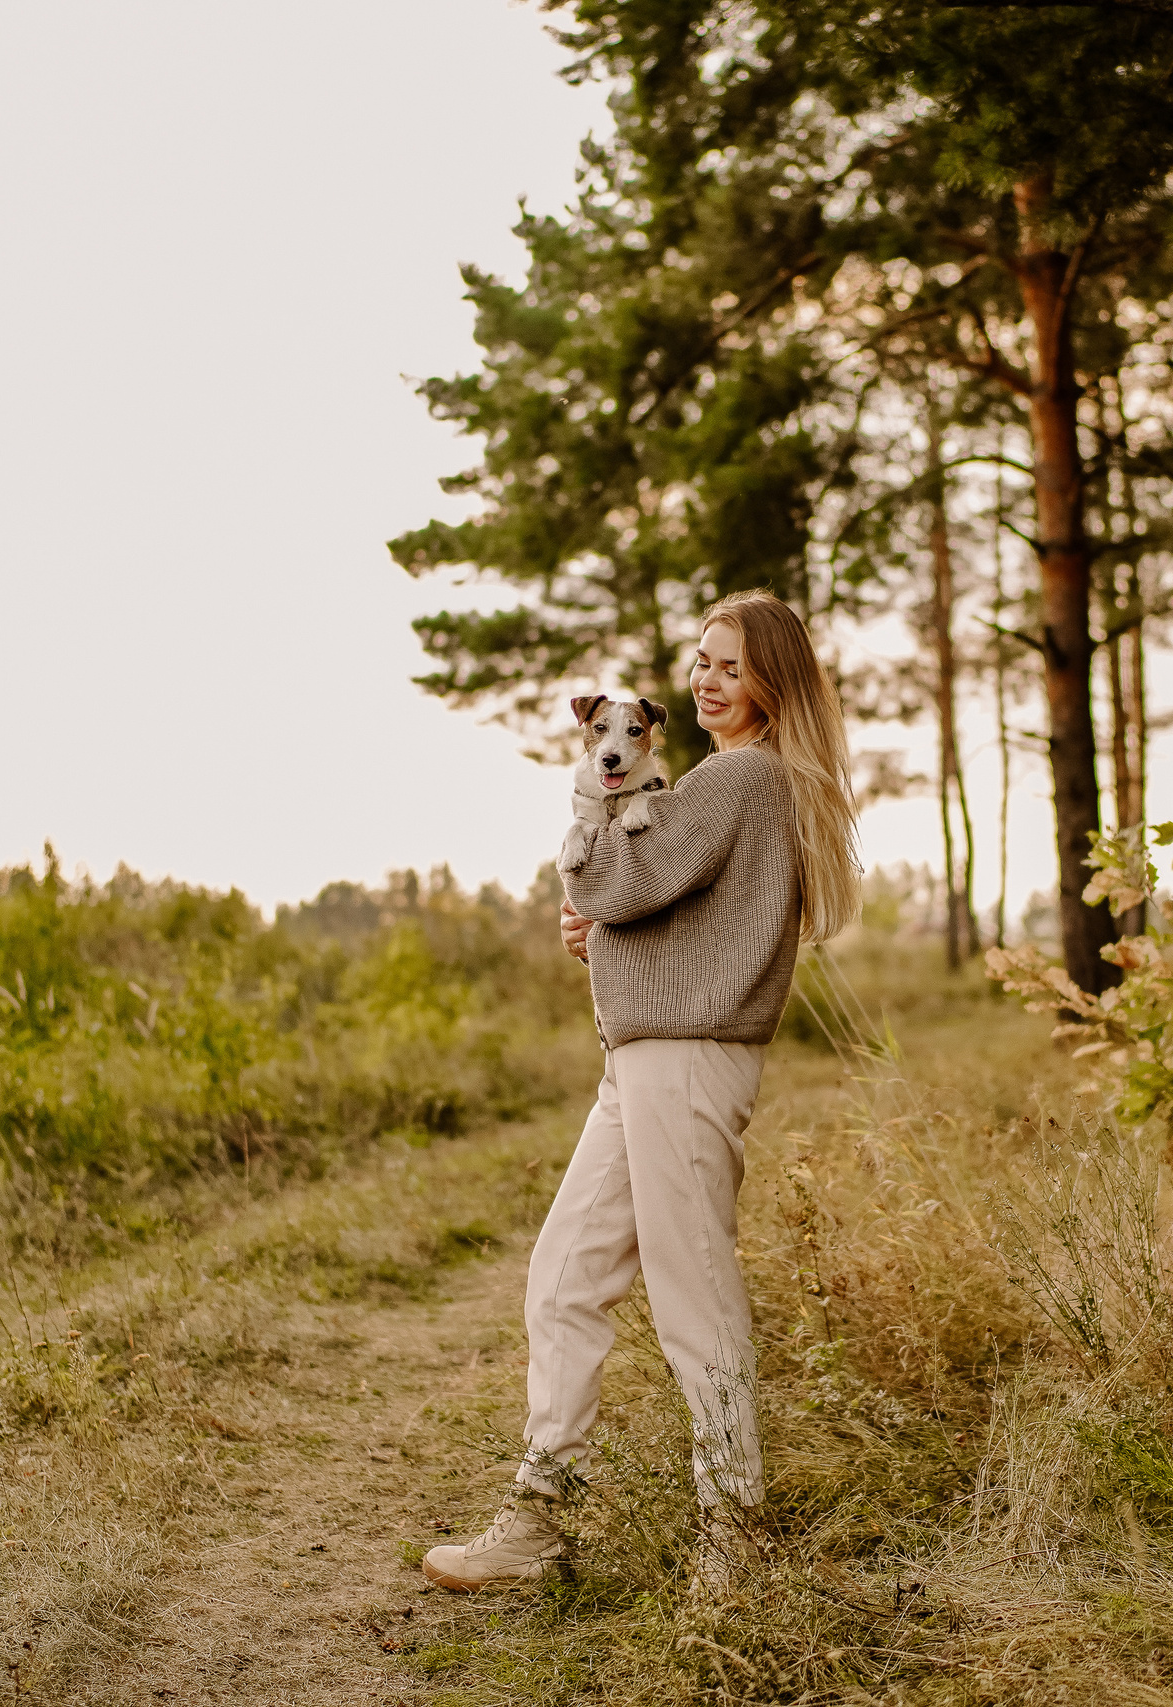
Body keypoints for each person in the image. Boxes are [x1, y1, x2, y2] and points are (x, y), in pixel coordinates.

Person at [420, 590, 860, 1592]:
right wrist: (599, 930)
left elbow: (610, 884)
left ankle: (734, 1536)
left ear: (772, 682)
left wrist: (590, 906)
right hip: (647, 1058)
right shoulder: (731, 782)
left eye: (730, 665)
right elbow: (649, 914)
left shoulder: (738, 777)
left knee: (692, 1297)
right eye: (700, 661)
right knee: (564, 1277)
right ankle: (541, 1517)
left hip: (687, 1062)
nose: (708, 680)